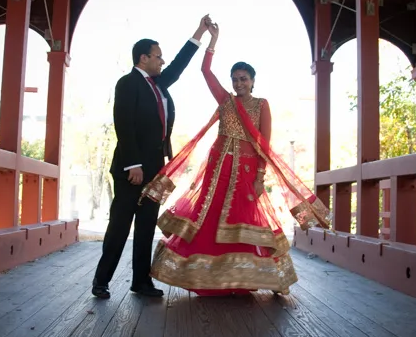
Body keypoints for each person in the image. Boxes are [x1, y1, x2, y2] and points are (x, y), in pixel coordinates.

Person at [141, 22, 331, 296]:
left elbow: (264, 144)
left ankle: (256, 277)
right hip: (217, 170)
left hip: (246, 171)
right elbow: (205, 71)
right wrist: (213, 40)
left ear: (252, 81)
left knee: (248, 221)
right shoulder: (225, 101)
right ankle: (208, 278)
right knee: (208, 218)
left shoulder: (261, 105)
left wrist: (259, 177)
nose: (239, 83)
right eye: (235, 79)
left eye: (244, 78)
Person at [92, 15, 213, 299]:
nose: (162, 61)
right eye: (158, 56)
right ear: (143, 58)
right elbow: (124, 124)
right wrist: (133, 164)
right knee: (120, 226)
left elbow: (179, 65)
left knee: (146, 226)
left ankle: (141, 281)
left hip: (157, 169)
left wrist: (199, 32)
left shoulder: (159, 85)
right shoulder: (128, 83)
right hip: (130, 169)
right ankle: (101, 281)